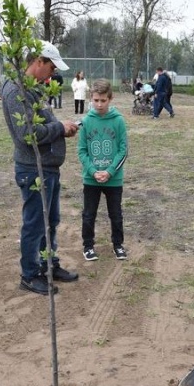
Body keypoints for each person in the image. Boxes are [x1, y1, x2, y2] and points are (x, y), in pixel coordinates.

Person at [2, 41, 79, 295]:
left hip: (48, 168)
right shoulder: (16, 91)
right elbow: (28, 134)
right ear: (39, 62)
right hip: (33, 169)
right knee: (35, 223)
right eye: (52, 67)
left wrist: (62, 129)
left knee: (50, 220)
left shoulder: (34, 89)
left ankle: (49, 264)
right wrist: (59, 128)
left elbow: (43, 123)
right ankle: (30, 274)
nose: (53, 73)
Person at [78, 79, 128, 261]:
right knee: (88, 214)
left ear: (110, 99)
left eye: (103, 100)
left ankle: (118, 244)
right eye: (96, 100)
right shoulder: (86, 122)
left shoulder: (118, 121)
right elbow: (82, 151)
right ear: (90, 98)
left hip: (113, 179)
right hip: (91, 179)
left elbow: (123, 150)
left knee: (116, 214)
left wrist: (110, 171)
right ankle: (88, 246)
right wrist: (93, 171)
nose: (99, 104)